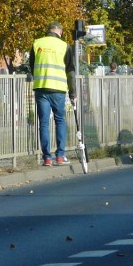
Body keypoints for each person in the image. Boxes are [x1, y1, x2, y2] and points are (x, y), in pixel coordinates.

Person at [29, 21, 76, 166]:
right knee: (60, 120)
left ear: (49, 31)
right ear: (60, 32)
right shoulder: (64, 46)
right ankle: (60, 156)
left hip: (41, 88)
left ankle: (47, 158)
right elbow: (70, 71)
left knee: (43, 123)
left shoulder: (37, 44)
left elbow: (31, 65)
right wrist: (73, 93)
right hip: (58, 89)